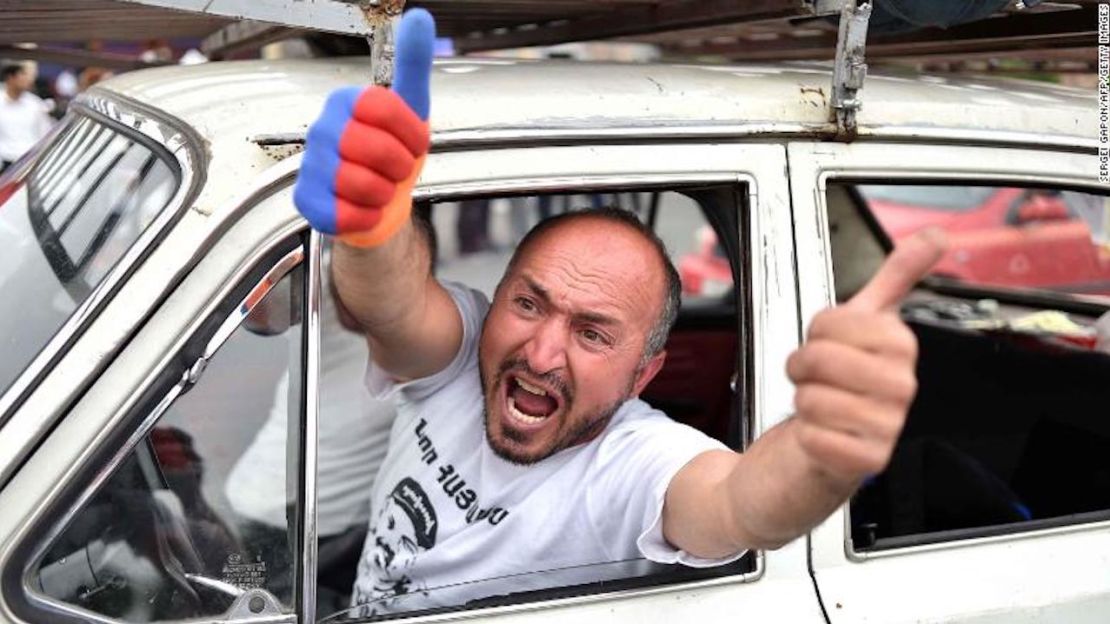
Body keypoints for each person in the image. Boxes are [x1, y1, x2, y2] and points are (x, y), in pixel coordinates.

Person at [293, 9, 946, 616]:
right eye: (528, 303)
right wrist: (372, 227)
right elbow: (390, 302)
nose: (542, 354)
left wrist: (818, 453)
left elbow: (739, 501)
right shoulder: (464, 355)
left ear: (642, 374)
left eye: (592, 333)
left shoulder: (632, 464)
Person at [0, 61, 54, 172]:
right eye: (24, 74)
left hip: (29, 166)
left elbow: (46, 134)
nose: (29, 79)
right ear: (11, 77)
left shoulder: (35, 104)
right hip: (4, 164)